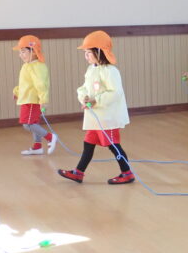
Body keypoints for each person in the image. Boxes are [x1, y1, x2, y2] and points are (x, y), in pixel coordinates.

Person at [57, 31, 135, 184]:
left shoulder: (110, 71)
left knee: (113, 146)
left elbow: (115, 93)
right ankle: (78, 173)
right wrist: (84, 97)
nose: (86, 56)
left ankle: (127, 173)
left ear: (99, 52)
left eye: (88, 53)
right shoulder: (91, 69)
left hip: (107, 118)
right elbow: (84, 88)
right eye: (85, 53)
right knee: (88, 144)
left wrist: (96, 100)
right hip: (95, 118)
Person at [13, 35, 57, 155]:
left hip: (32, 100)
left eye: (23, 51)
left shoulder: (37, 66)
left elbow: (41, 84)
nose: (20, 55)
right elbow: (25, 84)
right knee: (33, 123)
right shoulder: (27, 65)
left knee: (28, 124)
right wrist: (17, 92)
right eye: (20, 52)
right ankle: (37, 147)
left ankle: (50, 137)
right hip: (27, 99)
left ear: (33, 51)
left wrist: (43, 100)